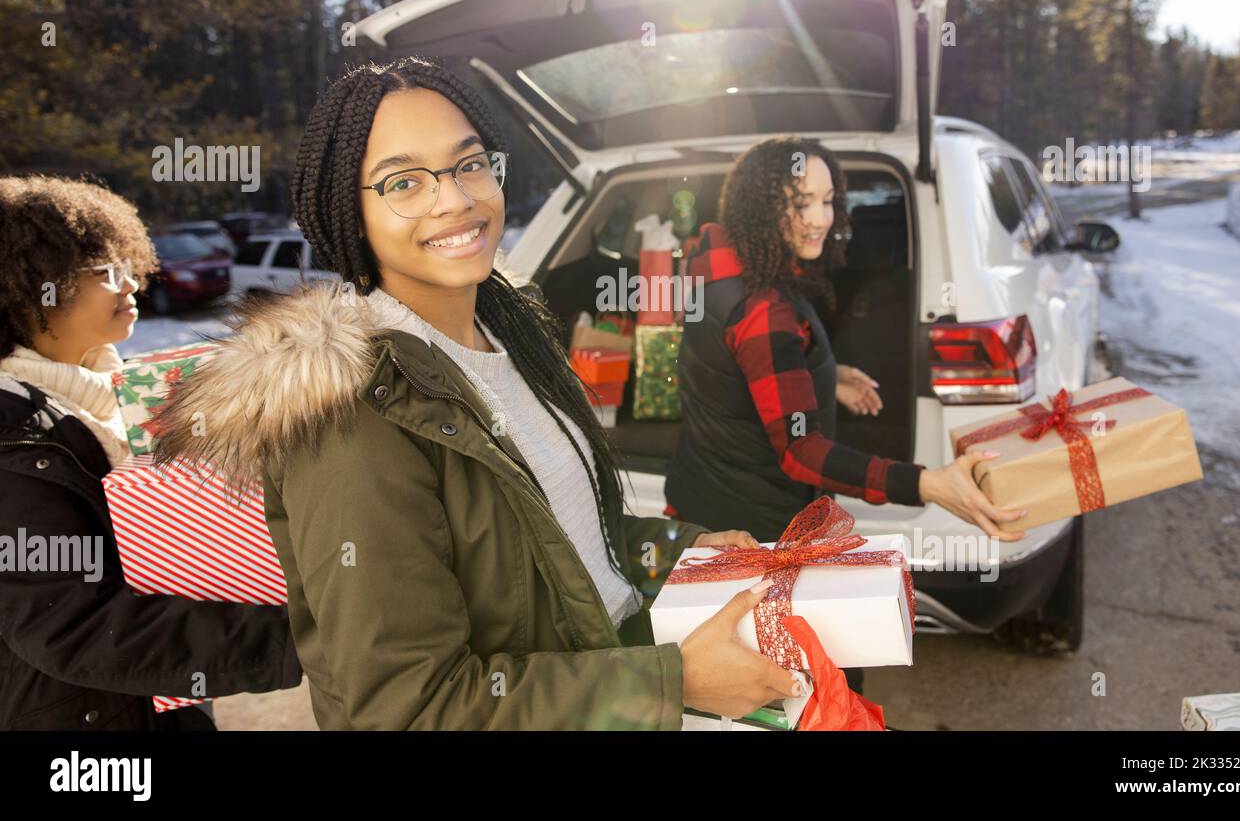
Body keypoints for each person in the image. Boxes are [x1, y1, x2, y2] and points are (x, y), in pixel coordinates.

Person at [155, 57, 799, 729]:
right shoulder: (352, 415)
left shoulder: (510, 333)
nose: (456, 199)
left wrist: (684, 548)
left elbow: (557, 543)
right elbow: (410, 706)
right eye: (404, 181)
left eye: (468, 164)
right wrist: (670, 684)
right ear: (349, 212)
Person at [0, 175, 302, 731]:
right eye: (103, 273)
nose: (130, 283)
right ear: (28, 291)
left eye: (126, 265)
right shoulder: (14, 438)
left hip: (153, 704)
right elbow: (71, 623)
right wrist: (293, 638)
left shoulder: (108, 396)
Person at [665, 137, 1027, 543]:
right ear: (760, 207)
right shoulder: (762, 309)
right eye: (801, 203)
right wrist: (927, 484)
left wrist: (823, 375)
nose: (821, 219)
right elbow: (800, 451)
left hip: (699, 500)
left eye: (828, 200)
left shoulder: (714, 262)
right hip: (756, 533)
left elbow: (735, 368)